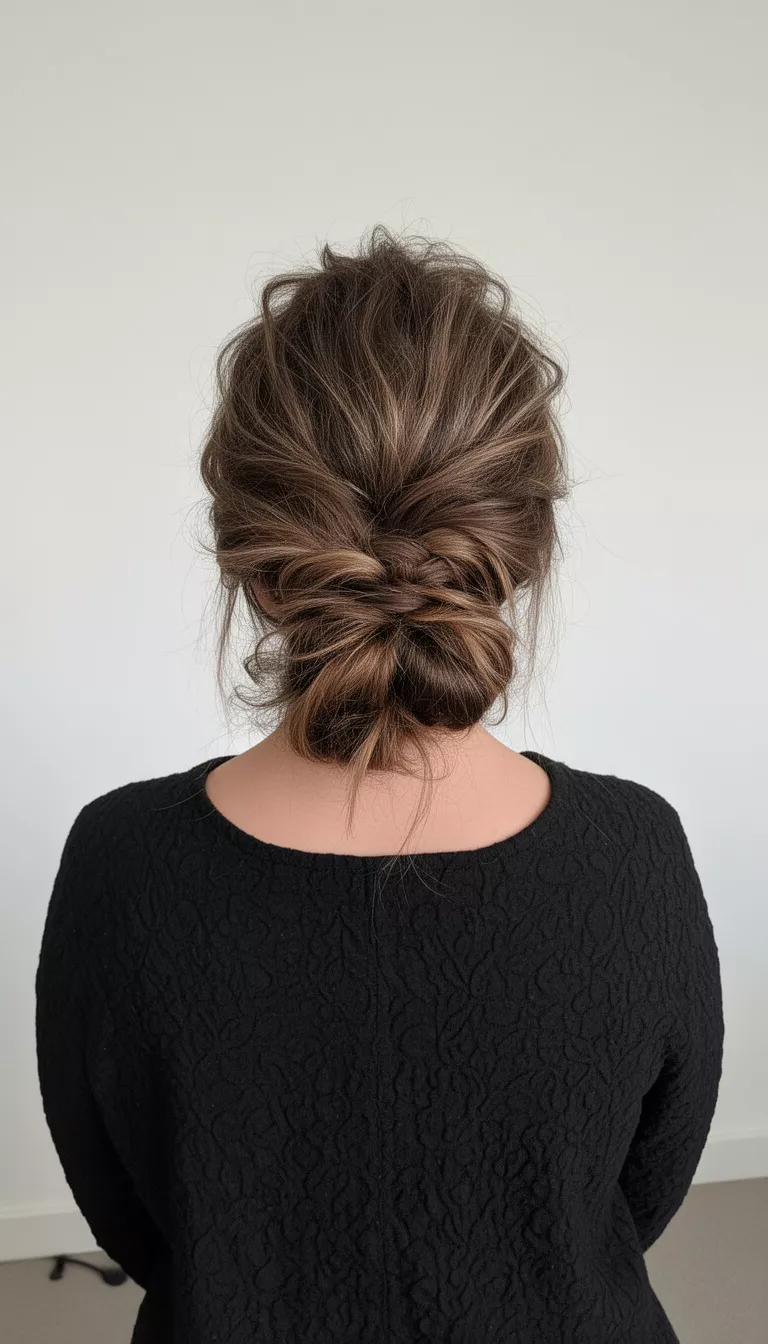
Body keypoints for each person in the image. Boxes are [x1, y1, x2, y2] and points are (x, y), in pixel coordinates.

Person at [36, 226, 723, 1344]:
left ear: (247, 553)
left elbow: (135, 1220)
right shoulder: (635, 849)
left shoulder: (121, 859)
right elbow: (630, 1204)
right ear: (524, 543)